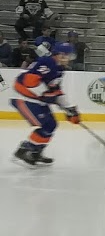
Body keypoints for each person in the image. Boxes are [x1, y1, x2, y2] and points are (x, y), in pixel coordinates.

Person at [11, 38, 80, 166]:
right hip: (23, 97)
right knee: (45, 124)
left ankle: (36, 152)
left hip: (36, 100)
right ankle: (24, 150)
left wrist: (69, 108)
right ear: (60, 55)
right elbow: (30, 83)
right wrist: (48, 95)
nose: (69, 59)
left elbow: (55, 89)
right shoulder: (46, 62)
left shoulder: (59, 69)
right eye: (68, 56)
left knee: (51, 125)